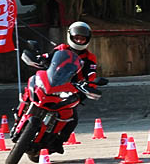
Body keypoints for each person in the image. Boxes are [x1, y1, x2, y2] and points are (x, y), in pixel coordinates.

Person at [22, 21, 100, 154]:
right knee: (32, 85)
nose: (79, 40)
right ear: (71, 36)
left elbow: (91, 73)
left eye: (82, 38)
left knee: (72, 119)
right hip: (53, 82)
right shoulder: (62, 48)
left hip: (72, 88)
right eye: (77, 38)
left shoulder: (89, 57)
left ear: (87, 39)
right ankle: (21, 111)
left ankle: (58, 142)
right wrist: (39, 58)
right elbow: (49, 58)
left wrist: (89, 83)